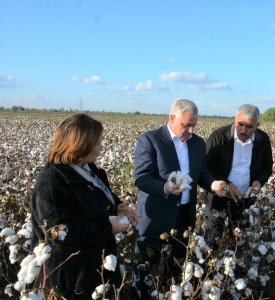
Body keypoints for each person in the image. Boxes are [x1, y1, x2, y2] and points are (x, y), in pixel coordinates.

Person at [31, 114, 139, 299]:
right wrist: (108, 227)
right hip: (72, 278)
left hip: (96, 267)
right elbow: (57, 232)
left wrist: (117, 207)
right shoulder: (52, 183)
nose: (101, 148)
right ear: (80, 145)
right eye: (97, 143)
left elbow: (95, 202)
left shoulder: (89, 170)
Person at [132, 99, 228, 298]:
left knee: (176, 266)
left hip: (184, 215)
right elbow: (141, 178)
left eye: (194, 125)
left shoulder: (198, 143)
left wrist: (213, 184)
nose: (191, 130)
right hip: (155, 217)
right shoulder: (150, 140)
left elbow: (201, 173)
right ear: (172, 118)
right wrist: (165, 187)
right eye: (187, 125)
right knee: (145, 266)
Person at [205, 104, 273, 242]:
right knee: (212, 239)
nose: (243, 130)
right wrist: (226, 184)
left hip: (245, 200)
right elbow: (206, 167)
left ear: (257, 125)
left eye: (249, 127)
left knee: (239, 241)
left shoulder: (262, 140)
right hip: (218, 198)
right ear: (234, 119)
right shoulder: (219, 137)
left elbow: (267, 167)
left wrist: (259, 181)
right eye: (240, 124)